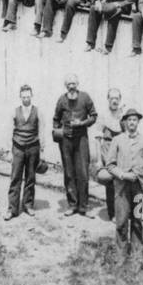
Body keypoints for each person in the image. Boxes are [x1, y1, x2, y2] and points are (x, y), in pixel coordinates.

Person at [107, 108, 143, 257]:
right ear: (125, 122)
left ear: (138, 122)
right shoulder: (117, 140)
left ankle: (137, 253)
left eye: (135, 120)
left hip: (140, 187)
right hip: (122, 188)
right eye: (129, 120)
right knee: (121, 221)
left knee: (138, 221)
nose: (132, 123)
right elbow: (110, 165)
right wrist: (124, 175)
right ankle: (121, 254)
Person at [53, 74, 97, 216]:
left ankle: (83, 206)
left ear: (77, 84)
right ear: (66, 86)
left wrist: (82, 123)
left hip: (81, 139)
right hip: (66, 141)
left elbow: (94, 115)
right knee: (69, 173)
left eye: (73, 83)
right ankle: (72, 205)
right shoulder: (61, 99)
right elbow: (56, 119)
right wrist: (57, 131)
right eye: (69, 84)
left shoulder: (85, 97)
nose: (71, 86)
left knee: (83, 173)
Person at [7, 84, 41, 219]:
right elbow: (10, 129)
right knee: (15, 178)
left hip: (33, 147)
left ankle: (28, 205)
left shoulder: (37, 111)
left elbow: (42, 129)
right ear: (20, 97)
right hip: (18, 148)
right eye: (24, 97)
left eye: (28, 96)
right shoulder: (14, 111)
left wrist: (41, 149)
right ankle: (12, 209)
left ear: (31, 96)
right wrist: (11, 149)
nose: (26, 99)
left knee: (30, 177)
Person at [91, 87, 126, 219]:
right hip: (107, 151)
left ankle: (122, 211)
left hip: (121, 153)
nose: (114, 101)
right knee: (110, 183)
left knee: (122, 182)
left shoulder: (123, 115)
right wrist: (99, 159)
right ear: (108, 100)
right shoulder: (103, 115)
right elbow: (97, 139)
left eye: (117, 98)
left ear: (120, 99)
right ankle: (113, 213)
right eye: (112, 98)